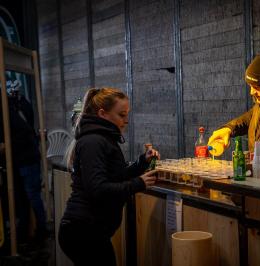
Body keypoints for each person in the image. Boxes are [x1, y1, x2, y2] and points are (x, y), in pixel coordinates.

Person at [58, 88, 159, 266]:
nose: (126, 120)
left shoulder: (104, 138)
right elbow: (98, 189)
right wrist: (138, 184)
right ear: (102, 114)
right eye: (121, 115)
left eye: (127, 114)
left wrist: (142, 162)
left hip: (91, 231)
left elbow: (116, 176)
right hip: (83, 231)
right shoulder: (93, 142)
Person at [0, 81, 47, 245]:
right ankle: (30, 230)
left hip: (25, 157)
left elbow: (22, 130)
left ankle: (41, 230)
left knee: (32, 195)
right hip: (28, 156)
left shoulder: (13, 107)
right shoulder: (21, 103)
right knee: (28, 196)